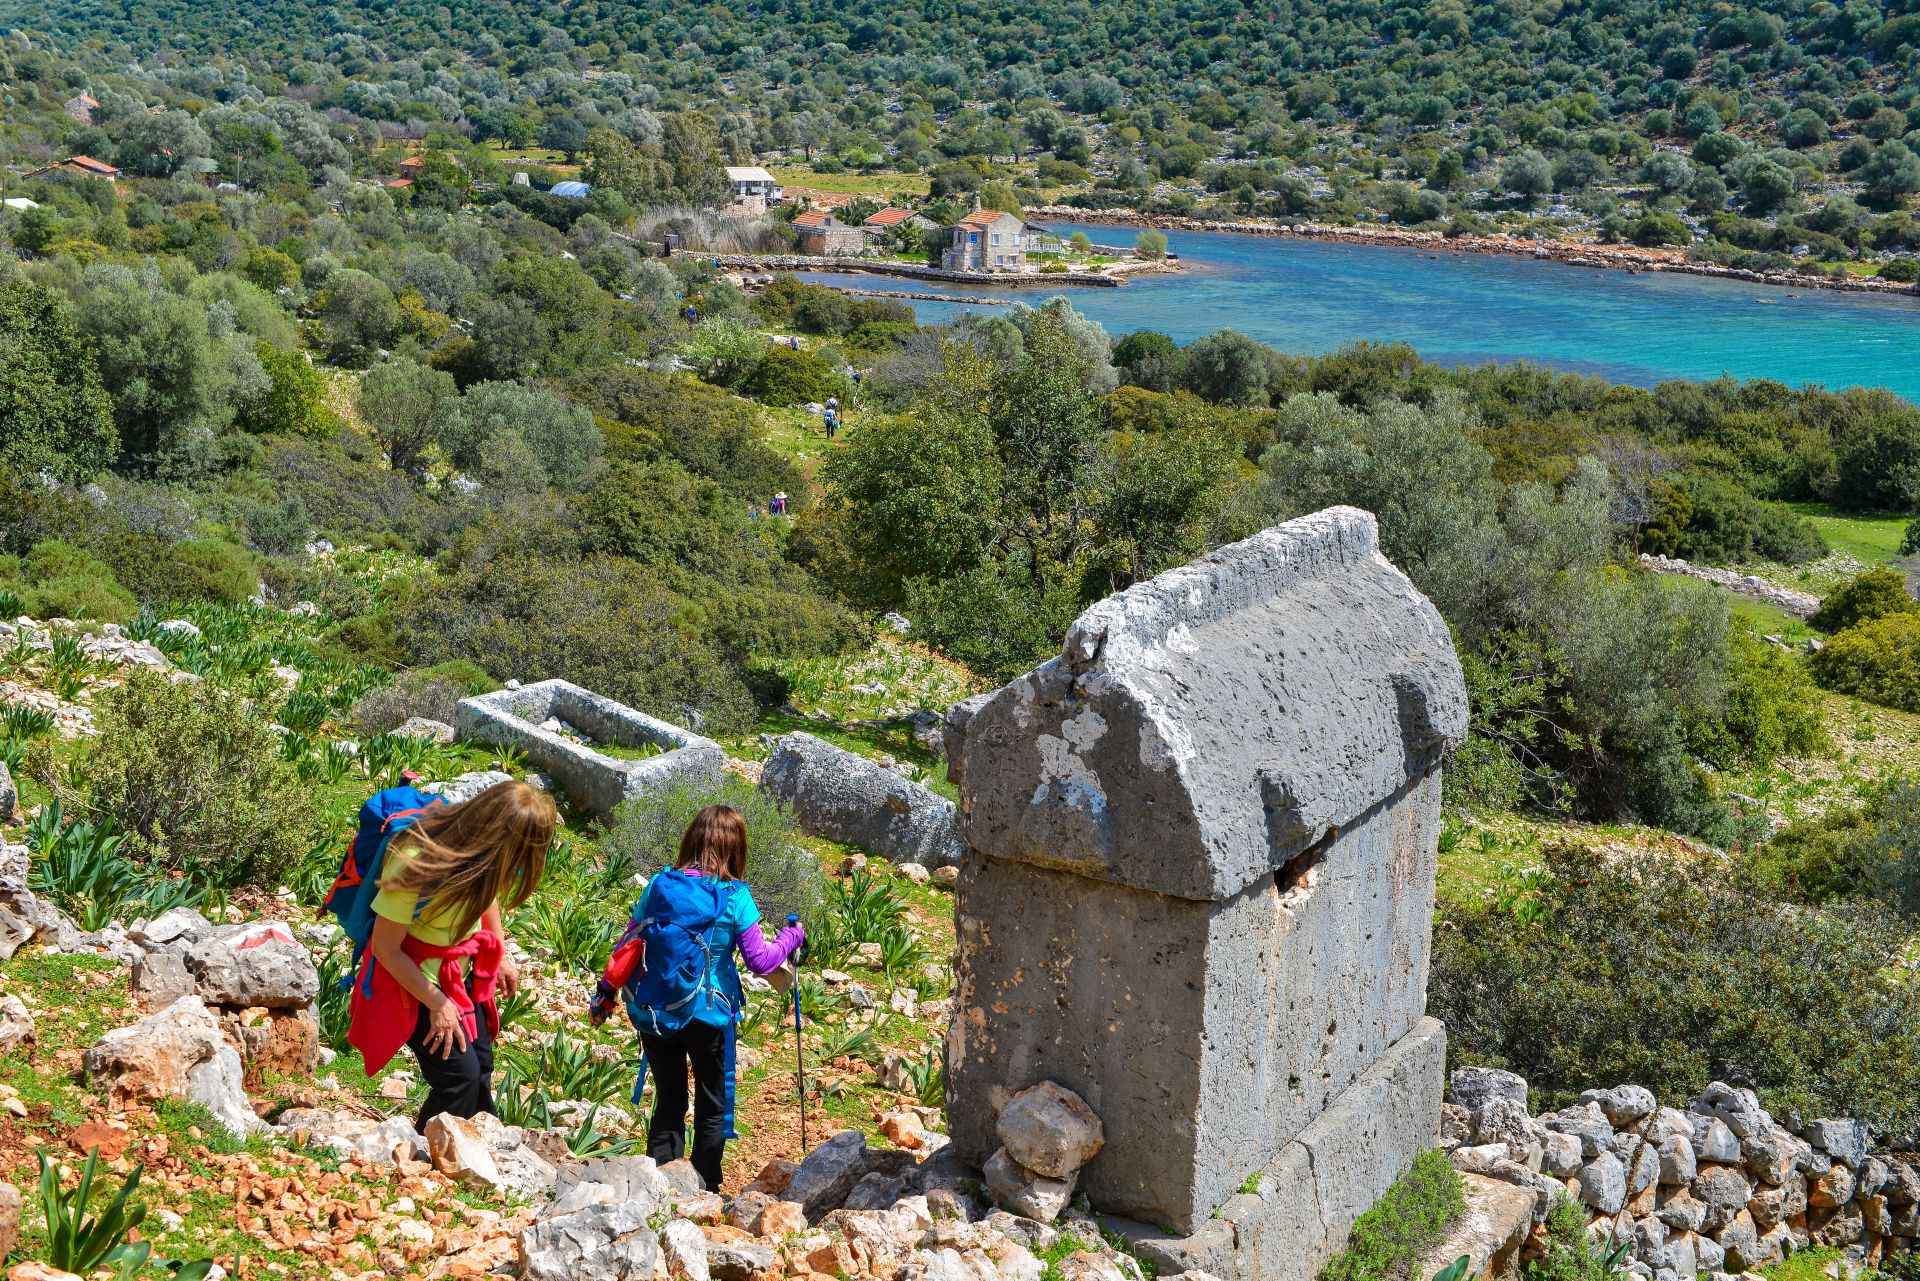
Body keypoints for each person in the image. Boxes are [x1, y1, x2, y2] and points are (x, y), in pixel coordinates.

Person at [590, 805, 805, 1191]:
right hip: (710, 1016)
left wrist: (606, 992)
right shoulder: (735, 894)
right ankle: (706, 1188)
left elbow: (629, 941)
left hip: (657, 1011)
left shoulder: (660, 884)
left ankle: (658, 1186)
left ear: (691, 838)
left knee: (669, 1100)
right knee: (711, 1105)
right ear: (736, 848)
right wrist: (793, 937)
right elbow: (760, 960)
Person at [350, 780, 554, 1129]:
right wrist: (437, 1004)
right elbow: (385, 948)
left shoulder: (481, 855)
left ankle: (474, 1146)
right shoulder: (416, 862)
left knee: (481, 1067)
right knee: (458, 1078)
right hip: (413, 984)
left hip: (455, 977)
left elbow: (486, 897)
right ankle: (424, 1160)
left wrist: (499, 952)